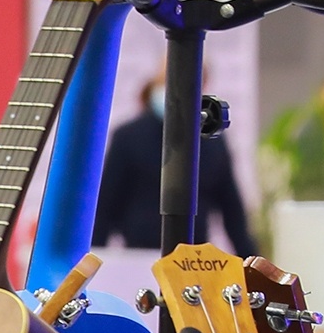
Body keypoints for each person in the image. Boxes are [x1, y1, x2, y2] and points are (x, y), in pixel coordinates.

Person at [91, 71, 259, 254]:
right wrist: (95, 254)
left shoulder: (212, 143)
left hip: (192, 254)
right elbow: (106, 204)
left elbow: (231, 209)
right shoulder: (129, 137)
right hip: (140, 251)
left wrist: (249, 259)